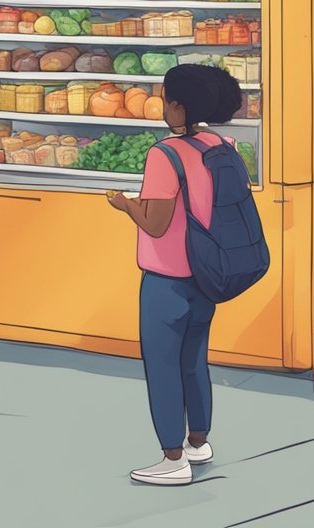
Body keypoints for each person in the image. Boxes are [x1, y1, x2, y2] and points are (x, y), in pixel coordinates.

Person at [108, 64, 241, 487]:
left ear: (179, 106)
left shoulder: (164, 154)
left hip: (166, 278)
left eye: (166, 98)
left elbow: (155, 224)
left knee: (163, 367)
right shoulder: (222, 144)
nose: (163, 105)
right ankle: (199, 442)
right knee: (193, 361)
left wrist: (124, 204)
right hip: (206, 273)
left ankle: (171, 459)